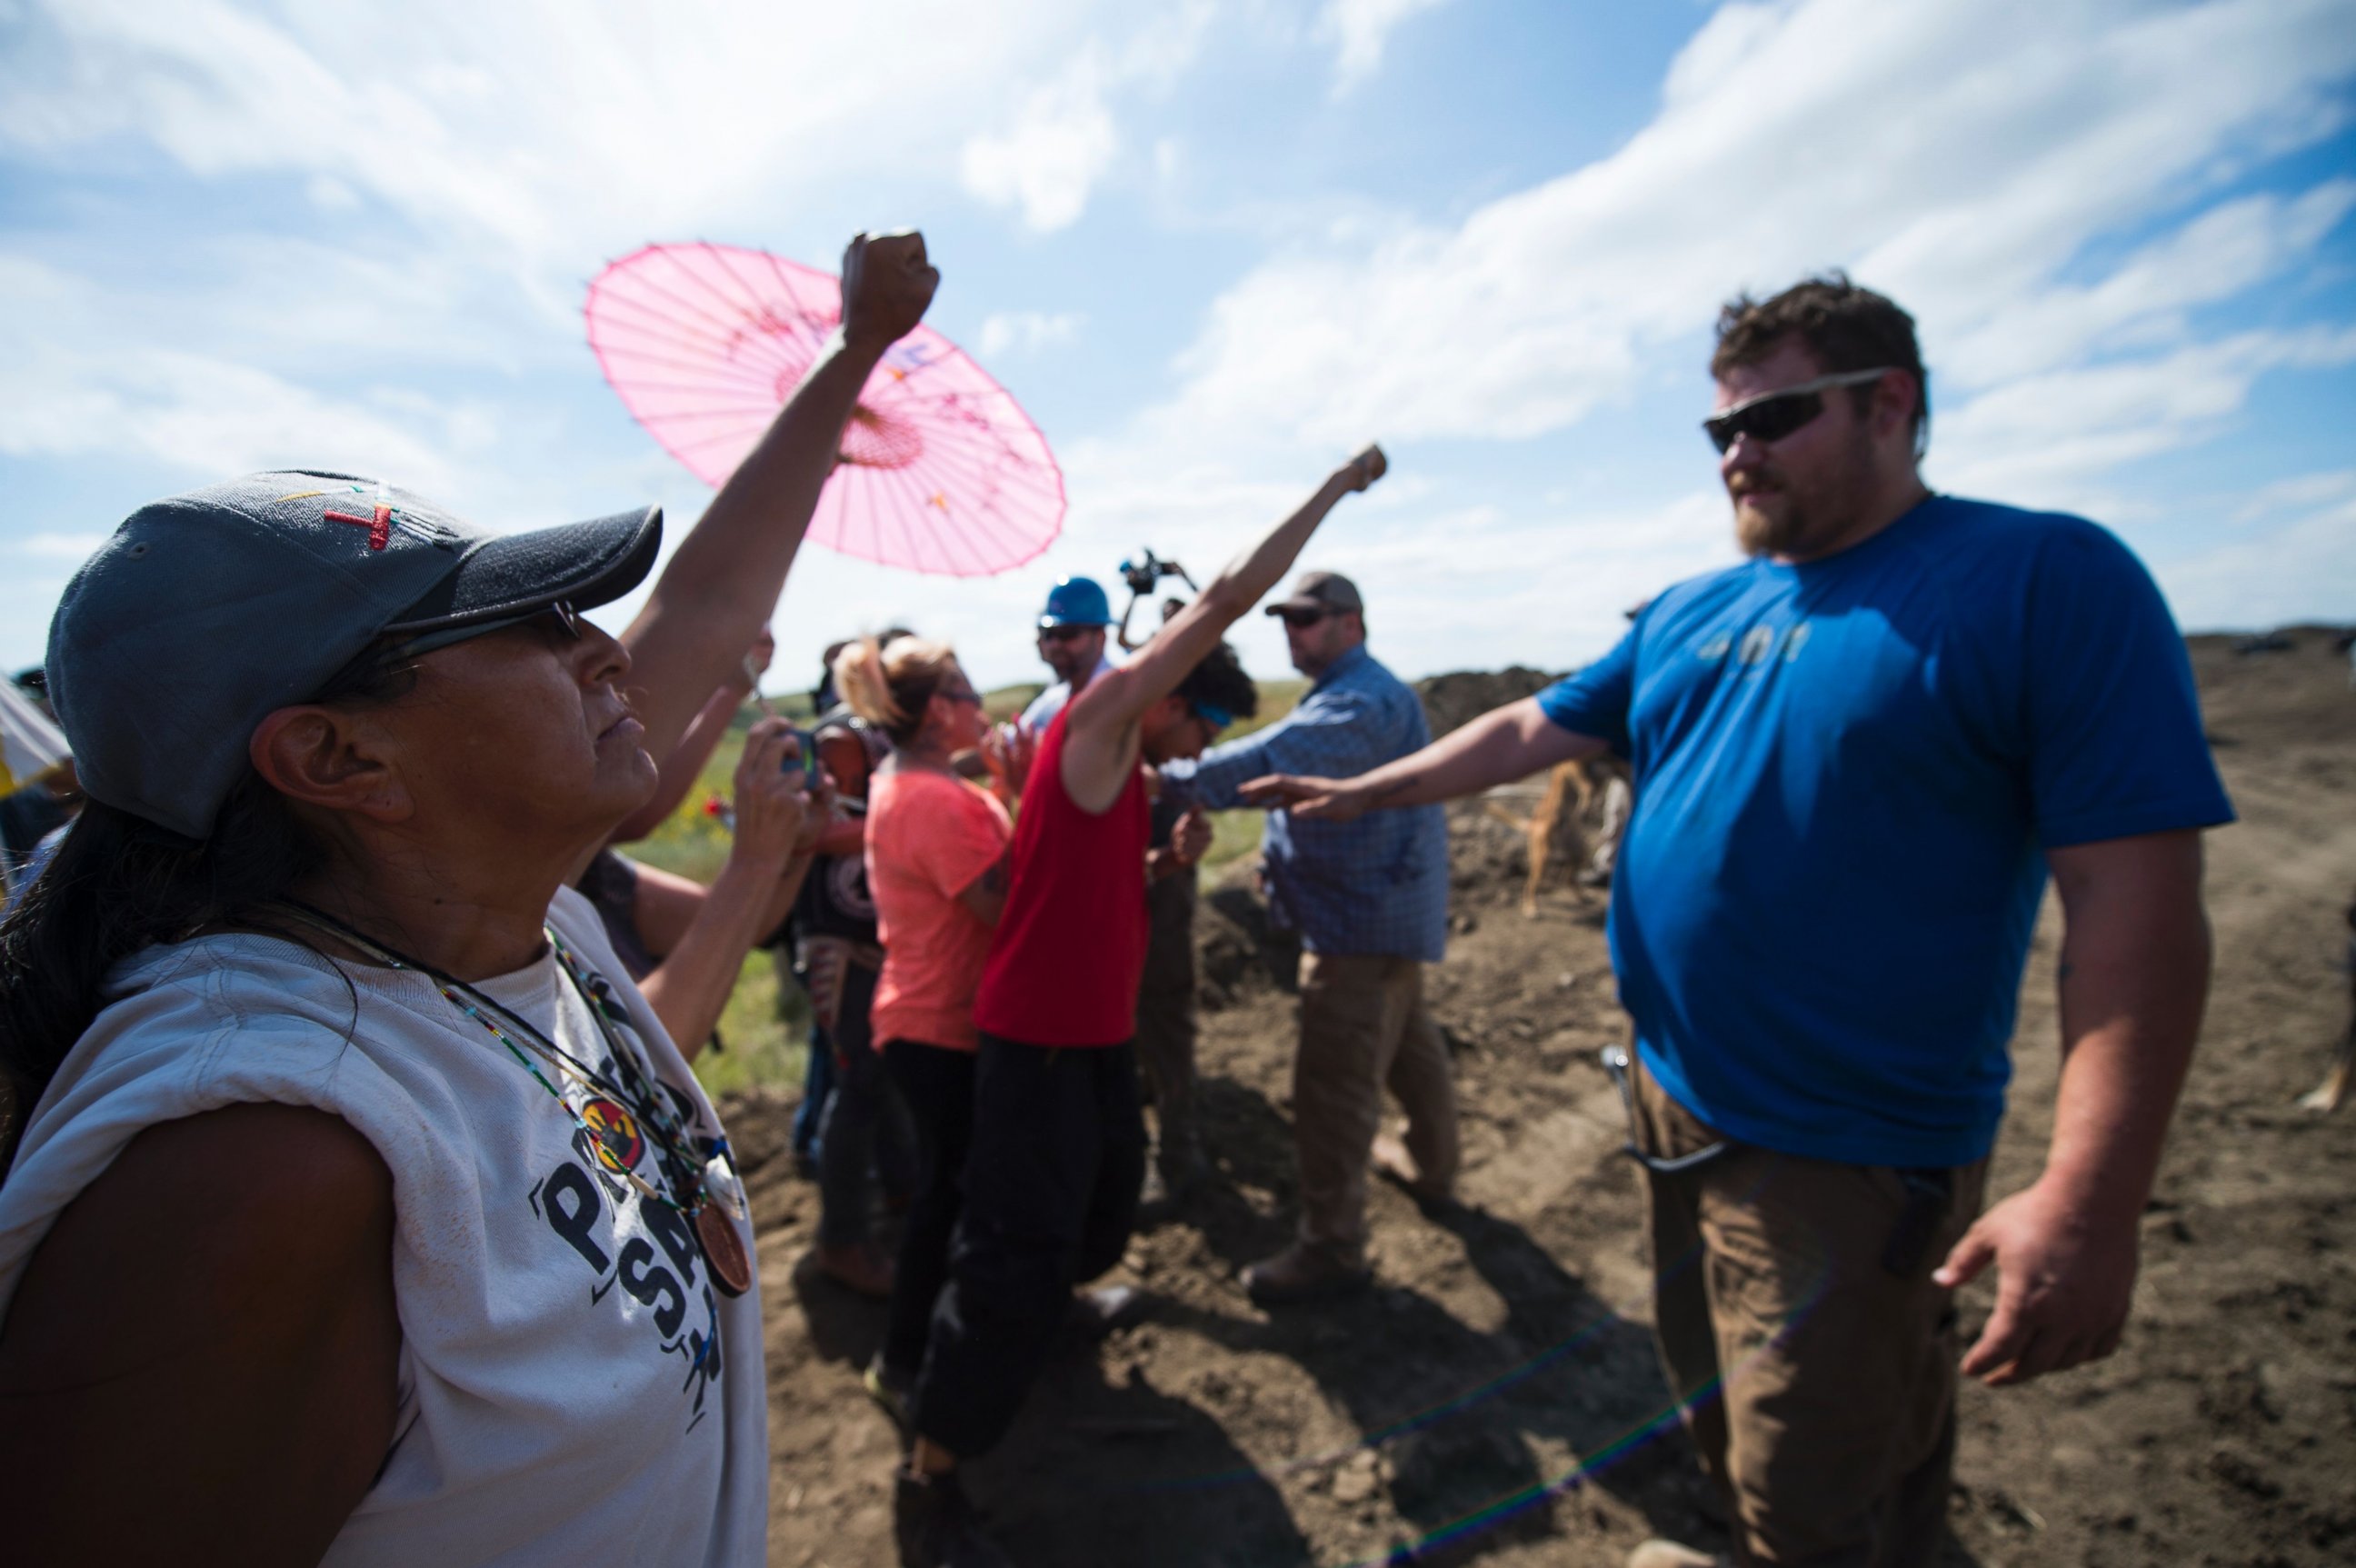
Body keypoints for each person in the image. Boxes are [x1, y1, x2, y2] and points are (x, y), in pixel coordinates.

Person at [1246, 277, 2233, 1567]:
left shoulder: (2040, 577)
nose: (1738, 454)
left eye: (1772, 418)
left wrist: (2094, 1203)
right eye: (1719, 433)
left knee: (1811, 1492)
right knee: (1725, 1414)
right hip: (1673, 1102)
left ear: (1893, 405)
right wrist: (1358, 789)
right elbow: (1530, 726)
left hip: (1847, 1150)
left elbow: (2138, 907)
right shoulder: (1697, 609)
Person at [0, 230, 940, 1563]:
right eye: (531, 621)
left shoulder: (488, 909)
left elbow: (712, 603)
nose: (606, 647)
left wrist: (859, 349)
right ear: (339, 757)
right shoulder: (273, 1153)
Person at [893, 446, 1385, 1568]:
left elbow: (1077, 884)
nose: (1201, 751)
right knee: (1012, 1245)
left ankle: (1061, 1313)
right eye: (1202, 728)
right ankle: (934, 1468)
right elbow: (1223, 597)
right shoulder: (1106, 718)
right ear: (1168, 698)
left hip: (1095, 1038)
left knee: (1109, 1196)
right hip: (1037, 1044)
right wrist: (1331, 489)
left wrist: (1163, 867)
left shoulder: (1125, 772)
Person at [1159, 570, 1456, 1303]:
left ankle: (1331, 1248)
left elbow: (1266, 763)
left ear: (1351, 623)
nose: (1293, 631)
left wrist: (1163, 778)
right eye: (1285, 619)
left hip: (1356, 924)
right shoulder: (1354, 691)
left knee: (1332, 1087)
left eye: (1308, 618)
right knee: (1410, 1046)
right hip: (1383, 914)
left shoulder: (1359, 702)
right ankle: (1433, 1165)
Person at [836, 634, 1014, 1423]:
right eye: (971, 695)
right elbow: (1002, 912)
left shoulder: (904, 778)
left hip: (919, 1011)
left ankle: (921, 1346)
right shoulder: (933, 799)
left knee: (952, 1185)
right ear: (942, 711)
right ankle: (907, 1357)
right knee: (952, 1193)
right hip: (943, 1020)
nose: (982, 708)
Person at [793, 711, 915, 1295]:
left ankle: (901, 1195)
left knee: (885, 1083)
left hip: (876, 958)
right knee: (859, 1087)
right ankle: (842, 1239)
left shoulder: (878, 767)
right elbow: (812, 833)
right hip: (842, 963)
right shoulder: (838, 754)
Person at [1017, 576, 1116, 733]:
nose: (1054, 644)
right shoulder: (1052, 701)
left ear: (1100, 637)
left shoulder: (1123, 697)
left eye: (1067, 633)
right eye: (1049, 634)